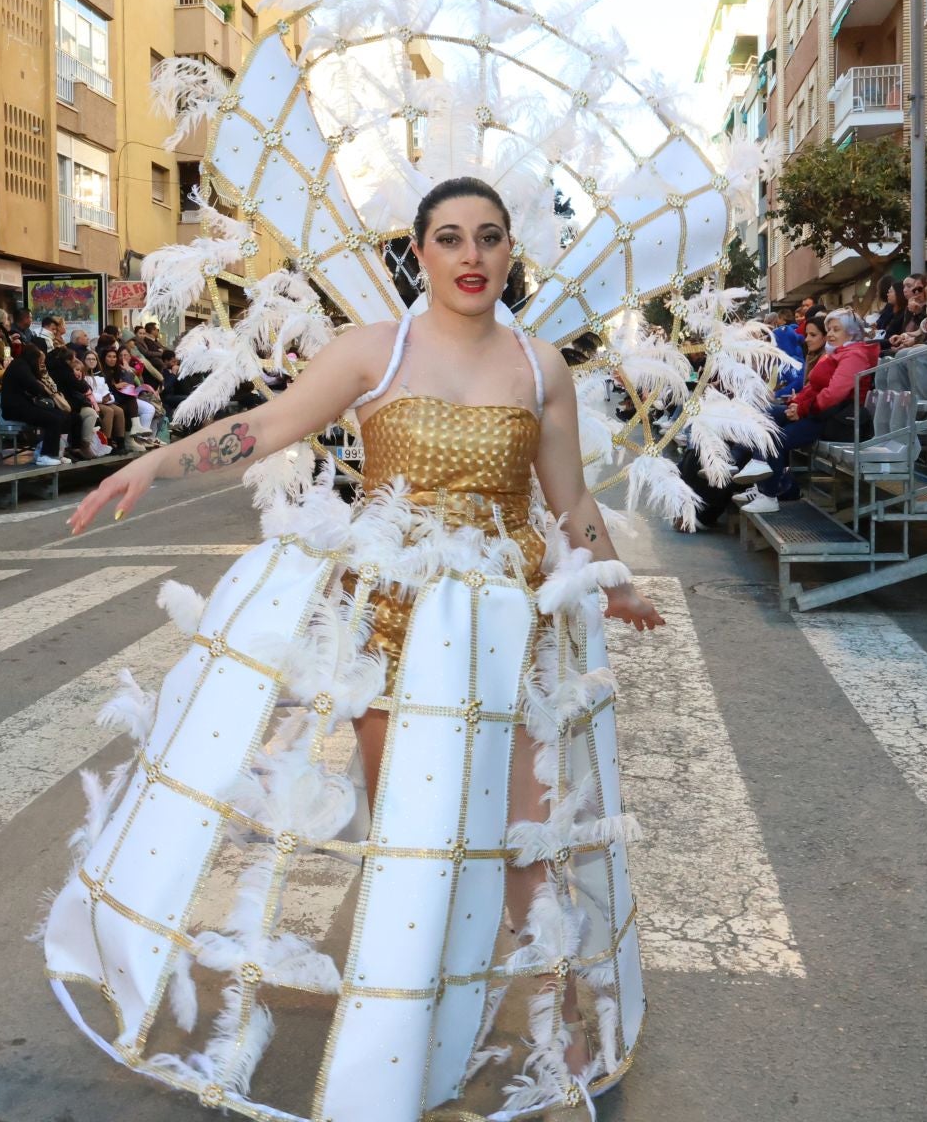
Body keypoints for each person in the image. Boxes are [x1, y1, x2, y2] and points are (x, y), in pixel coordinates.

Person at [41, 178, 657, 1118]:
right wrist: (152, 462)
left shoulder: (541, 368)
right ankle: (401, 1038)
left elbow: (568, 502)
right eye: (450, 238)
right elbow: (266, 427)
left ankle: (553, 1028)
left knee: (526, 842)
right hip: (389, 630)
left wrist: (615, 583)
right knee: (412, 840)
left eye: (489, 239)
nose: (471, 257)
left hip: (506, 631)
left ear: (508, 253)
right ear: (417, 253)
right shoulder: (374, 351)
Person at [740, 308, 880, 514]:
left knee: (777, 439)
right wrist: (795, 405)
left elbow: (834, 394)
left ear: (850, 332)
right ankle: (757, 468)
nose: (830, 334)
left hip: (837, 420)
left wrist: (802, 409)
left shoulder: (855, 355)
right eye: (829, 329)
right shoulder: (838, 353)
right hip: (820, 413)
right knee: (766, 414)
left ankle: (768, 494)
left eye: (836, 329)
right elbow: (813, 388)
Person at [0, 343, 75, 466]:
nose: (40, 364)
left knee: (62, 416)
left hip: (25, 405)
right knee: (53, 419)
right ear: (33, 358)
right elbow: (34, 386)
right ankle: (45, 455)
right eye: (39, 361)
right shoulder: (19, 366)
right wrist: (44, 387)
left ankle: (56, 453)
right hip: (14, 408)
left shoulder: (25, 366)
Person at [45, 346, 108, 457]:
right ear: (67, 361)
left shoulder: (54, 368)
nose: (75, 362)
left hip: (66, 402)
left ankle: (81, 446)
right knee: (90, 414)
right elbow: (83, 387)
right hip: (65, 404)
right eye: (74, 360)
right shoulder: (65, 371)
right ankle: (83, 445)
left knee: (88, 414)